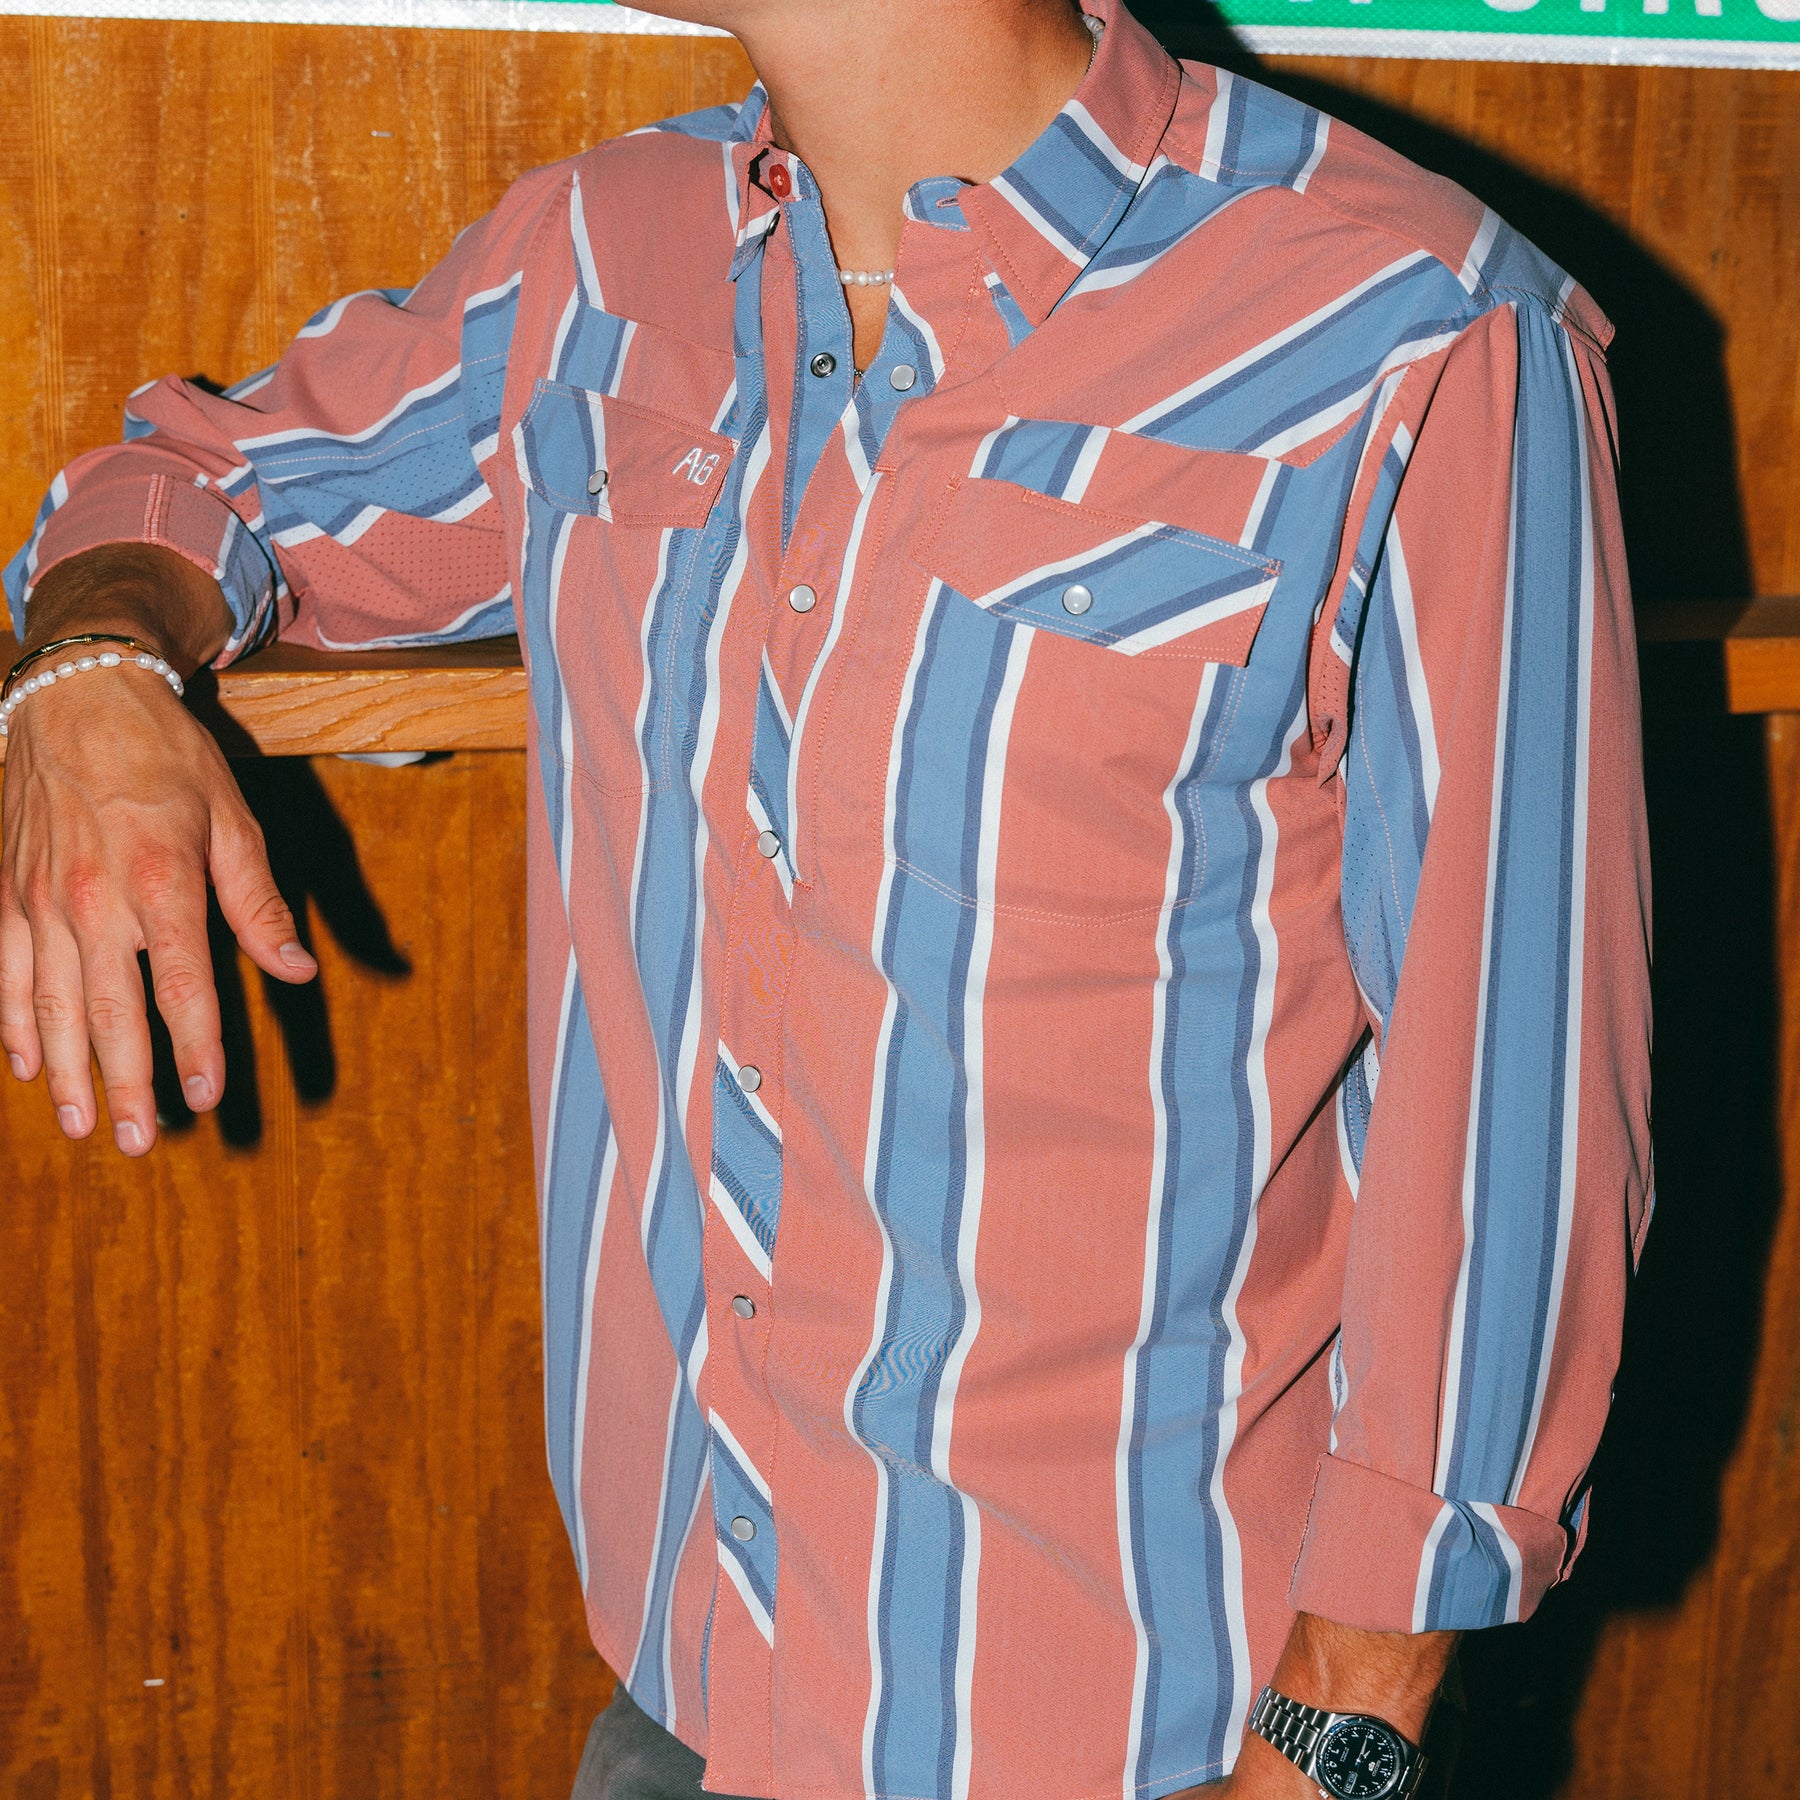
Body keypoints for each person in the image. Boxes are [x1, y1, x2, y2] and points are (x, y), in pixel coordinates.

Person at [0, 1, 1652, 1795]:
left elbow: (1520, 1101)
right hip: (682, 1700)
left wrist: (1339, 1739)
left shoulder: (1418, 326)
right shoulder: (594, 260)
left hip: (1154, 1737)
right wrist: (90, 671)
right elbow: (198, 485)